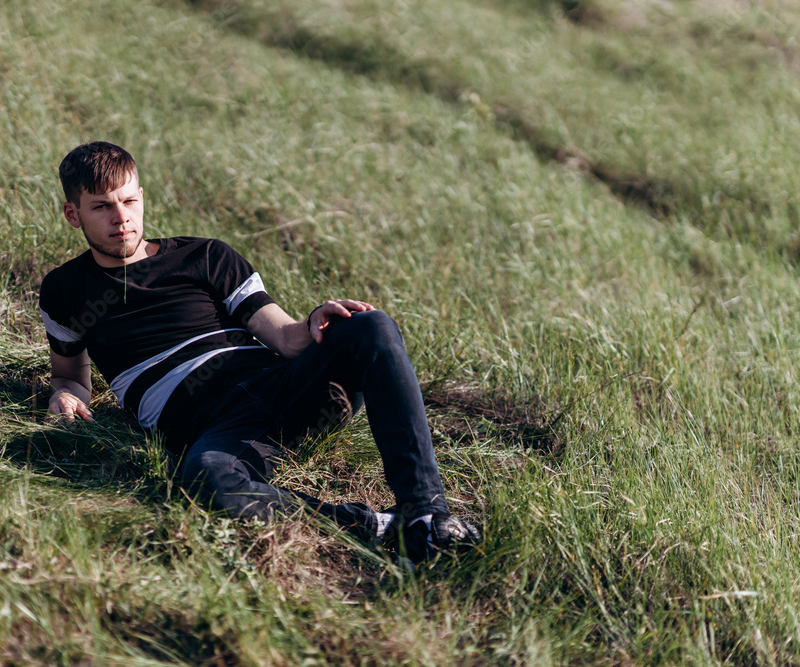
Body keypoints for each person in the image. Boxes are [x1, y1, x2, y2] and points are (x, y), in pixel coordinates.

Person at [39, 141, 480, 562]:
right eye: (102, 206)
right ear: (72, 214)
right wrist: (64, 394)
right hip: (211, 425)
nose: (122, 218)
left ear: (141, 198)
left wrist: (313, 322)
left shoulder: (205, 256)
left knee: (371, 325)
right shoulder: (64, 291)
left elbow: (285, 338)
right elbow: (70, 376)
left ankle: (427, 512)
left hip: (283, 388)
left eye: (129, 202)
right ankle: (383, 528)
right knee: (206, 479)